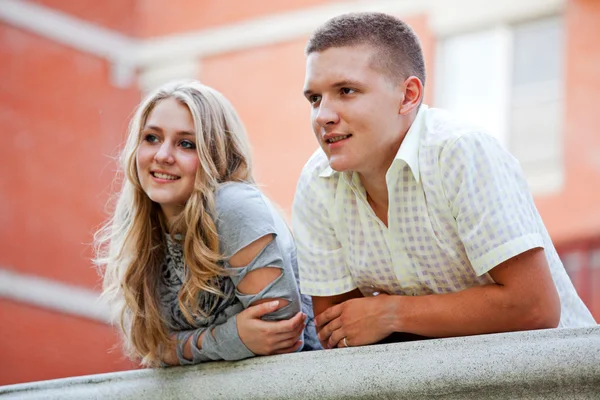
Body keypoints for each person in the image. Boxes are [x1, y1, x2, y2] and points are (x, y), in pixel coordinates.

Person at [292, 12, 596, 351]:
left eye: (346, 91)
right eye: (315, 99)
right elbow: (341, 331)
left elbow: (535, 308)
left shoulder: (461, 153)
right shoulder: (316, 183)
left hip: (555, 374)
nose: (323, 116)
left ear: (408, 96)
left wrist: (391, 313)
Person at [95, 80, 319, 367]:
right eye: (151, 138)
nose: (162, 155)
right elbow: (150, 348)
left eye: (186, 144)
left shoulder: (234, 207)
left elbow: (281, 335)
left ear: (216, 155)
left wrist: (183, 347)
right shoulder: (137, 221)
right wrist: (229, 336)